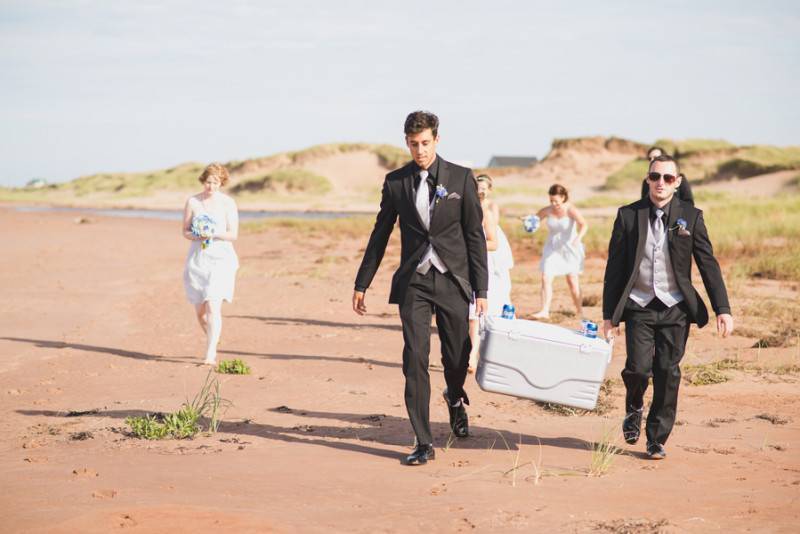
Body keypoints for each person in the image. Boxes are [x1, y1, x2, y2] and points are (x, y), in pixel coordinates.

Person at [353, 111, 488, 465]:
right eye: (414, 144)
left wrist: (482, 290)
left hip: (453, 280)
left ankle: (455, 396)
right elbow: (380, 233)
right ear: (407, 143)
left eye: (425, 143)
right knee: (414, 358)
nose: (420, 150)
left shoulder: (460, 178)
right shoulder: (396, 183)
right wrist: (362, 282)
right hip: (414, 281)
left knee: (457, 357)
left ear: (437, 140)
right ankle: (423, 441)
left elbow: (474, 236)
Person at [603, 154, 734, 460]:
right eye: (655, 177)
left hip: (676, 308)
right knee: (637, 368)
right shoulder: (627, 215)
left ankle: (656, 438)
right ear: (647, 180)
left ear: (678, 183)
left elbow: (708, 265)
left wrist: (722, 308)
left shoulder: (691, 215)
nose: (660, 183)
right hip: (639, 304)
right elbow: (614, 270)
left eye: (668, 178)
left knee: (667, 372)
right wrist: (609, 315)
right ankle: (634, 405)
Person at [182, 163, 240, 365]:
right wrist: (197, 234)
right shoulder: (193, 202)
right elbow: (185, 231)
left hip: (221, 258)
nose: (211, 186)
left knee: (213, 306)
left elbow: (233, 234)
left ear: (221, 182)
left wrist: (212, 233)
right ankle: (213, 337)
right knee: (201, 313)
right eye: (208, 182)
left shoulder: (228, 203)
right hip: (199, 258)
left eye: (215, 182)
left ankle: (210, 354)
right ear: (202, 181)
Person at [467, 174, 513, 372]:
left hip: (486, 260)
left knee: (489, 307)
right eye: (478, 187)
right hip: (467, 263)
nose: (481, 191)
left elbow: (494, 242)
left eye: (484, 188)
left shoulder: (488, 211)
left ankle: (483, 354)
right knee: (471, 313)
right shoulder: (466, 208)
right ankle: (473, 354)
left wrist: (472, 246)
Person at [531, 184, 588, 319]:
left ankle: (580, 311)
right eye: (551, 200)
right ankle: (544, 310)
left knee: (572, 281)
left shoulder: (571, 210)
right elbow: (534, 220)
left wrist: (578, 238)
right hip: (552, 248)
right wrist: (528, 222)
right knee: (545, 277)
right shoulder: (547, 210)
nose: (554, 204)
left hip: (569, 248)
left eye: (556, 200)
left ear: (563, 197)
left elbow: (584, 224)